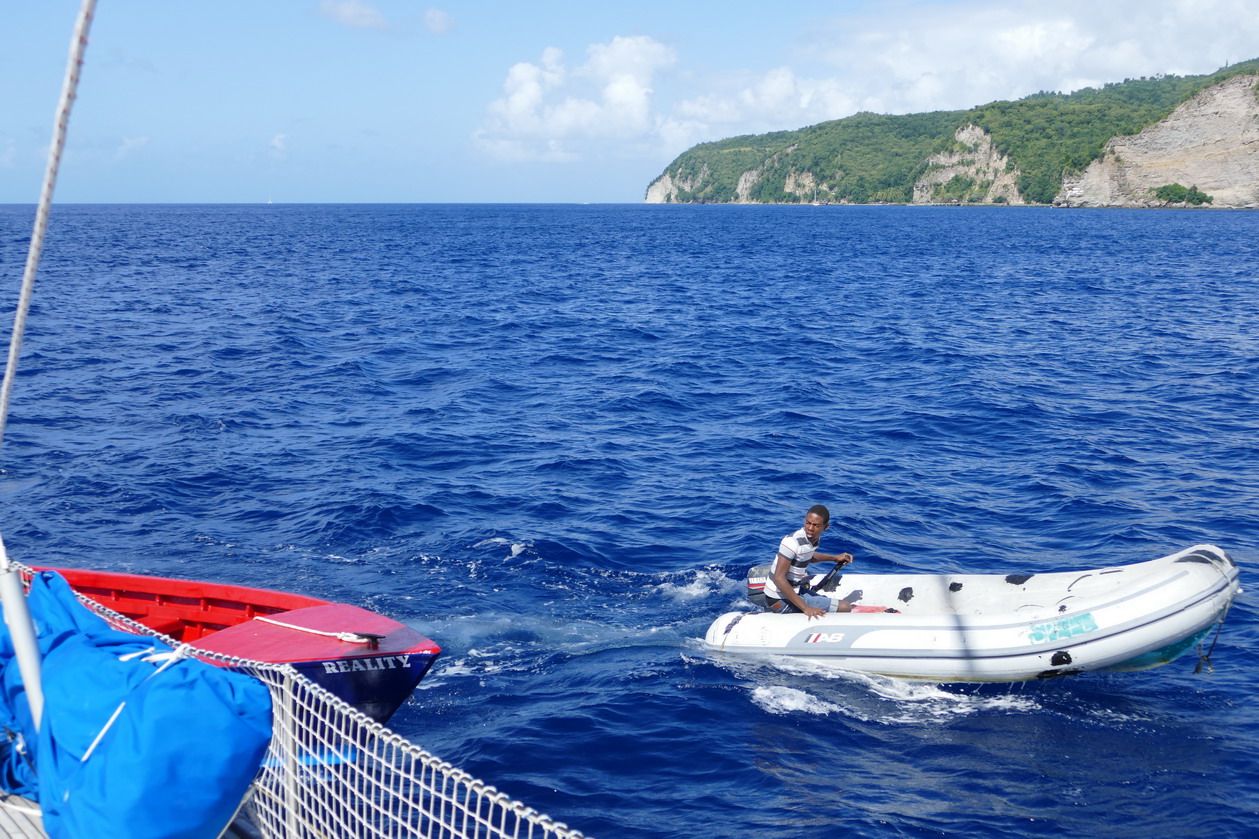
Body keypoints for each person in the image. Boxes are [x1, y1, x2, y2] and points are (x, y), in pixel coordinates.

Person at [762, 505, 853, 619]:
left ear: (826, 527)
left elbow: (808, 556)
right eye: (808, 523)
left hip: (795, 590)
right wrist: (806, 608)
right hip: (779, 600)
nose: (810, 528)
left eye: (815, 525)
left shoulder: (812, 539)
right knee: (845, 607)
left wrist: (835, 558)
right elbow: (778, 578)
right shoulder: (791, 542)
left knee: (825, 599)